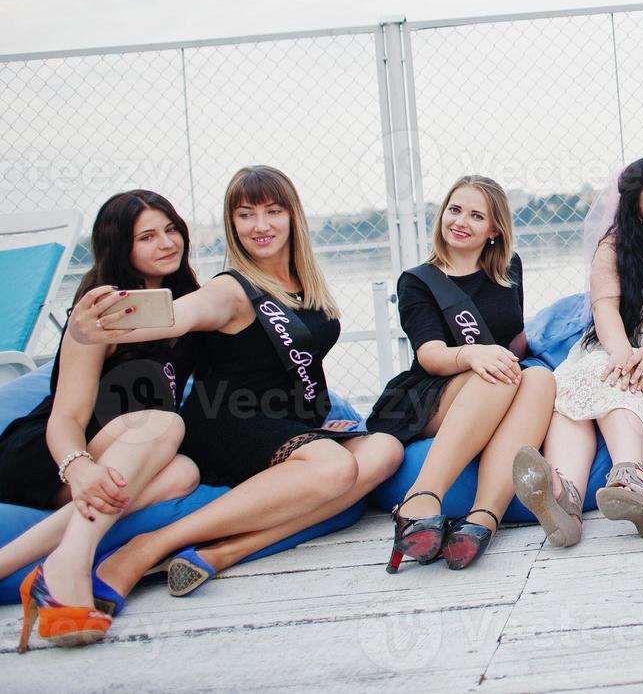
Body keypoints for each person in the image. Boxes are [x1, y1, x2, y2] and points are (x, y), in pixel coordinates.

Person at [75, 166, 403, 608]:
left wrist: (319, 417)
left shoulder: (304, 284)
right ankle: (148, 547)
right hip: (226, 422)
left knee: (384, 450)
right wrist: (92, 322)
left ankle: (221, 552)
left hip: (284, 422)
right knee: (335, 470)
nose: (261, 226)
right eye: (246, 215)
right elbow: (175, 314)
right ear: (233, 224)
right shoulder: (230, 289)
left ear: (293, 217)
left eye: (272, 211)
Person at [6, 191, 202, 652]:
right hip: (51, 452)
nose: (166, 243)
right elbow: (65, 416)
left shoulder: (187, 304)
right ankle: (68, 565)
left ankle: (14, 564)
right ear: (120, 246)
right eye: (147, 236)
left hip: (127, 455)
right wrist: (80, 468)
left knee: (185, 472)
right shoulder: (97, 314)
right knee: (163, 425)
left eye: (171, 229)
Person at [512, 156, 643, 542]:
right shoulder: (612, 248)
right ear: (637, 211)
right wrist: (622, 352)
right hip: (617, 345)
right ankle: (565, 499)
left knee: (614, 379)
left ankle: (629, 479)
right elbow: (604, 307)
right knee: (576, 386)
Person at [367, 175, 555, 572]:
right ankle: (422, 496)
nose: (460, 221)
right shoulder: (418, 280)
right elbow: (431, 354)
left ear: (494, 229)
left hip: (496, 381)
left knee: (537, 377)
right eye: (454, 210)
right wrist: (474, 354)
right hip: (430, 392)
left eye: (475, 215)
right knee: (497, 374)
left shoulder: (509, 268)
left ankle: (484, 516)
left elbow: (514, 338)